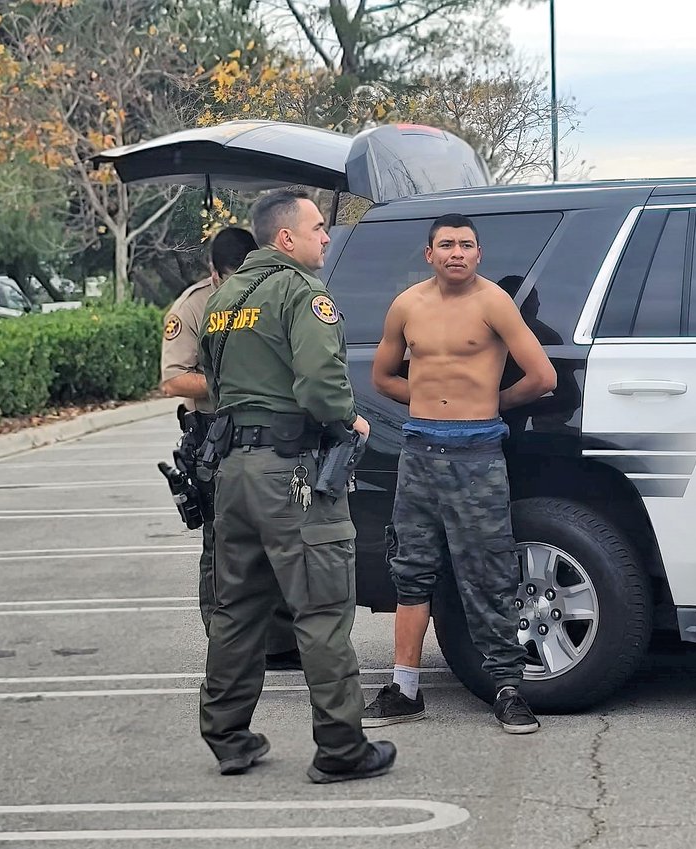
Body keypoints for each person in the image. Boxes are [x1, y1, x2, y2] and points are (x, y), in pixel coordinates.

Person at [196, 189, 396, 782]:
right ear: (286, 239)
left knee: (237, 608)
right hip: (294, 477)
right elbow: (320, 387)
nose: (326, 237)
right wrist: (348, 419)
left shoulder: (224, 298)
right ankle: (341, 749)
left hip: (234, 475)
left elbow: (214, 383)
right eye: (317, 228)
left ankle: (228, 737)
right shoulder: (303, 293)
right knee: (322, 610)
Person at [364, 213, 557, 734]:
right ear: (429, 253)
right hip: (420, 453)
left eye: (466, 245)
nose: (457, 253)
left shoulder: (494, 302)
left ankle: (507, 688)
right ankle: (404, 689)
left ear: (478, 254)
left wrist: (488, 403)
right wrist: (428, 398)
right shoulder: (407, 306)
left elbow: (543, 376)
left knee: (488, 574)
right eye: (446, 244)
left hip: (477, 458)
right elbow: (382, 377)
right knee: (411, 571)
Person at [160, 227, 301, 671]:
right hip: (213, 431)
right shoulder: (193, 306)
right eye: (228, 277)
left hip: (267, 431)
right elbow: (174, 379)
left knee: (276, 536)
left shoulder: (273, 292)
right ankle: (224, 641)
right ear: (213, 272)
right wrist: (233, 383)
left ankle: (279, 642)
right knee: (222, 542)